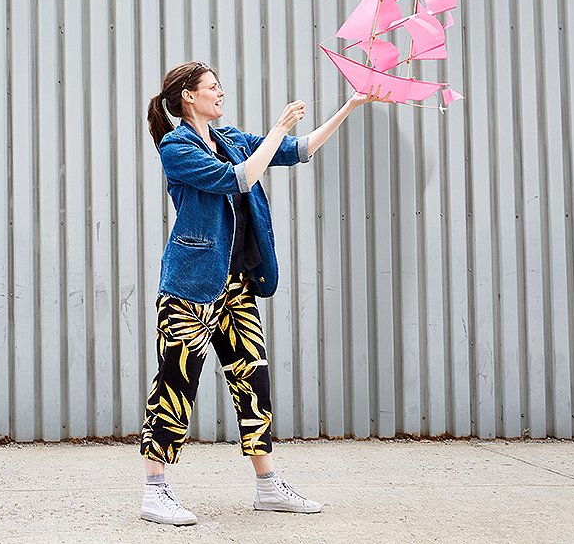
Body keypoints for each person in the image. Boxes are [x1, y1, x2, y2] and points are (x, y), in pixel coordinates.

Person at [139, 60, 389, 525]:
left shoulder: (229, 138)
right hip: (191, 287)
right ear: (189, 97)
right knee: (176, 384)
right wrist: (276, 126)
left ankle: (267, 485)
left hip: (236, 286)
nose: (221, 93)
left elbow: (297, 149)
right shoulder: (177, 146)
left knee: (252, 380)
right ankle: (154, 491)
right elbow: (237, 179)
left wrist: (350, 106)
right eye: (213, 87)